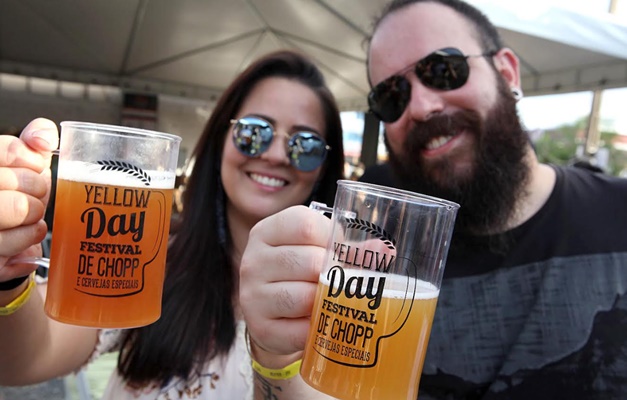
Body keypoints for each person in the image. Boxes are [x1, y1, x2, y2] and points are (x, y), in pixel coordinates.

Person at [239, 0, 627, 399]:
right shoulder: (370, 222)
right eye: (392, 96)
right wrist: (273, 355)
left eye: (443, 70)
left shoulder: (619, 214)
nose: (422, 107)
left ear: (507, 72)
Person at [0, 49, 345, 399]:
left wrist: (277, 358)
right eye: (254, 132)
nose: (275, 155)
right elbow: (26, 358)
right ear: (219, 142)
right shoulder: (156, 259)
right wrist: (8, 279)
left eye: (306, 145)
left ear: (322, 170)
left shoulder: (354, 299)